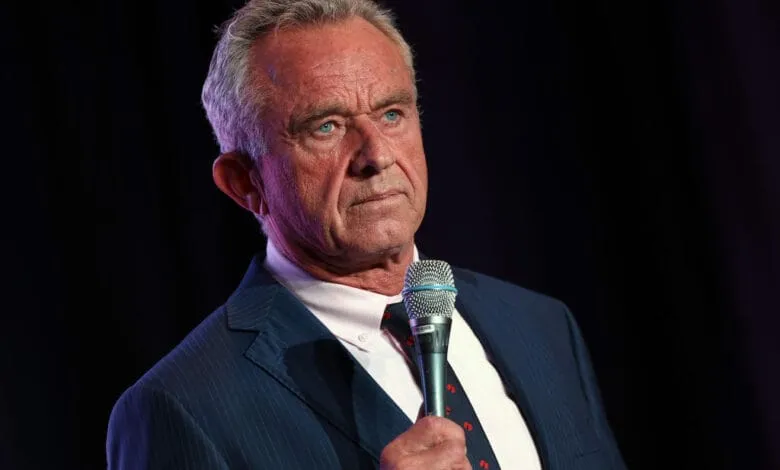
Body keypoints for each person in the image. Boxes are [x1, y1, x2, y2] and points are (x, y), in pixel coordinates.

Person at [106, 0, 627, 468]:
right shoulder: (183, 407)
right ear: (245, 183)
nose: (377, 155)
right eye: (326, 126)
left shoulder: (541, 327)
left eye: (392, 113)